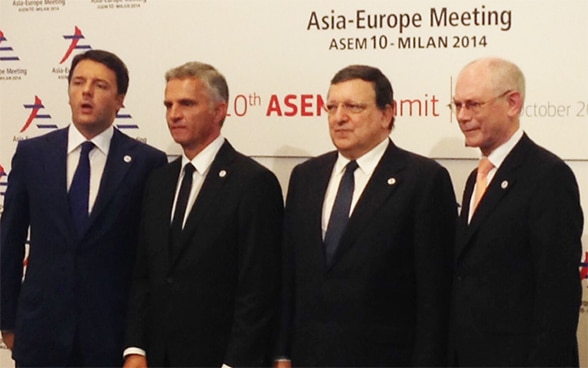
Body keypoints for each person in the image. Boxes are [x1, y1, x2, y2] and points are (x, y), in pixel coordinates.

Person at [275, 65, 457, 367]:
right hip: (310, 355)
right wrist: (281, 352)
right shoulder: (306, 176)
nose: (339, 117)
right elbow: (289, 274)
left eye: (353, 107)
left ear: (386, 114)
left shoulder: (422, 180)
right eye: (331, 107)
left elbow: (434, 295)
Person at [0, 49, 167, 367]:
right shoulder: (33, 155)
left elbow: (148, 262)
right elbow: (8, 244)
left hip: (110, 337)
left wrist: (137, 342)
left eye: (100, 85)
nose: (86, 91)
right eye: (78, 82)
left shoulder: (147, 163)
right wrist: (7, 322)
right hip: (39, 335)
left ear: (120, 100)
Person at [123, 61, 283, 368]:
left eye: (187, 103)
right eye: (168, 104)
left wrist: (235, 362)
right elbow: (144, 273)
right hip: (156, 357)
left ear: (219, 111)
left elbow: (258, 289)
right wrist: (135, 348)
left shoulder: (253, 183)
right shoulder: (159, 181)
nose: (174, 114)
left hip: (218, 357)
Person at [449, 57, 584, 367]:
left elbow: (558, 296)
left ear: (512, 103)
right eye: (457, 105)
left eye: (473, 105)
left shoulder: (548, 176)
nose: (462, 116)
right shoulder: (476, 178)